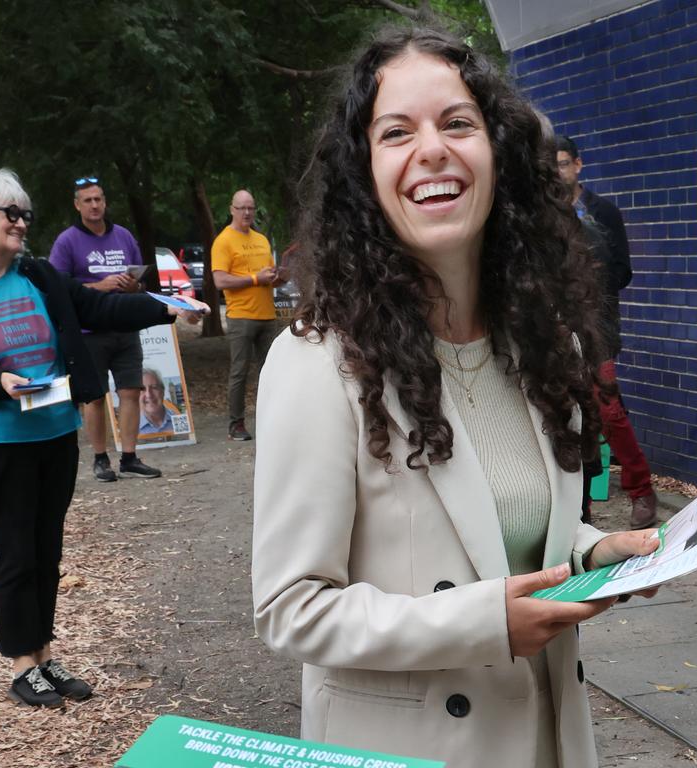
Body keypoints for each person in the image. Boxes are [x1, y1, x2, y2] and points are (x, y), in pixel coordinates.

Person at [252, 27, 659, 768]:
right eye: (397, 132)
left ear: (499, 155)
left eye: (459, 123)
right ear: (364, 173)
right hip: (416, 749)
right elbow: (291, 609)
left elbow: (503, 528)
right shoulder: (317, 366)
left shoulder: (544, 346)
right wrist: (482, 623)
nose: (432, 149)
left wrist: (593, 550)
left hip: (548, 739)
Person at [0, 169, 208, 708]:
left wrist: (167, 309)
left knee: (46, 549)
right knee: (16, 551)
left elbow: (96, 307)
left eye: (25, 213)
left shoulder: (39, 275)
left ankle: (46, 657)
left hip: (55, 433)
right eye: (12, 213)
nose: (22, 222)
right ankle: (22, 663)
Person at [555, 137, 658, 529]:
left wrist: (588, 286)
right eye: (551, 166)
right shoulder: (540, 216)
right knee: (565, 415)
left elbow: (623, 272)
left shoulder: (602, 212)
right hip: (555, 330)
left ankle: (641, 489)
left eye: (563, 164)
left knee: (609, 411)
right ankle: (578, 512)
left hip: (596, 328)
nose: (557, 173)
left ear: (578, 165)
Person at [49, 176, 160, 481]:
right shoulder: (67, 241)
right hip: (89, 331)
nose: (95, 205)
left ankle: (129, 457)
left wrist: (132, 284)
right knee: (95, 397)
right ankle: (100, 458)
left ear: (105, 201)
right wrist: (100, 285)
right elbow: (57, 287)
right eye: (88, 200)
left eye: (98, 199)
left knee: (130, 391)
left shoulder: (123, 236)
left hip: (125, 325)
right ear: (77, 205)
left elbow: (142, 280)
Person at [211, 189, 286, 441]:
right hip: (241, 316)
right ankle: (236, 424)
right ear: (231, 209)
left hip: (266, 314)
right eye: (242, 208)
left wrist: (277, 278)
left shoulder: (261, 239)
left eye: (251, 208)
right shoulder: (223, 241)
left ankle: (273, 421)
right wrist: (256, 278)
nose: (247, 213)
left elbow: (268, 279)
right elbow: (220, 281)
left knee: (272, 371)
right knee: (239, 372)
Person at [138, 367, 175, 434]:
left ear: (163, 391)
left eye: (154, 387)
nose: (149, 395)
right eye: (142, 389)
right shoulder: (130, 428)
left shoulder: (178, 418)